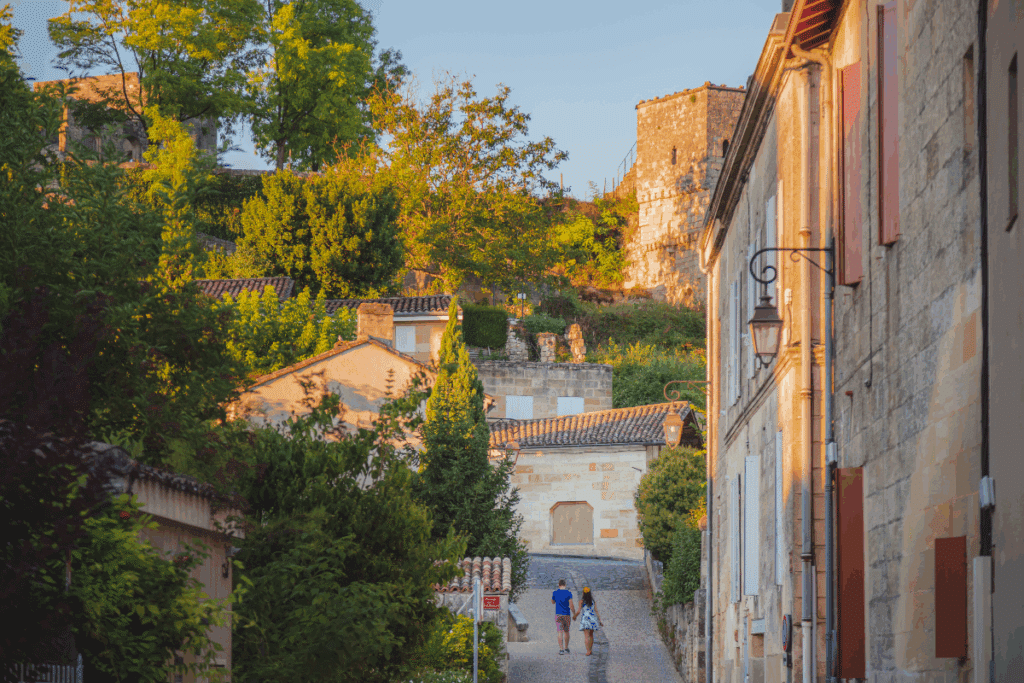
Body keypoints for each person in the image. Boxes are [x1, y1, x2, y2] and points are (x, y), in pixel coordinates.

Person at [573, 586, 604, 656]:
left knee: (586, 636)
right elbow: (596, 611)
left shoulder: (581, 601)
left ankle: (588, 650)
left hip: (586, 619)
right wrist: (599, 621)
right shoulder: (593, 601)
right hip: (593, 619)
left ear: (583, 593)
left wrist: (574, 616)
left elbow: (578, 611)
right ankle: (591, 649)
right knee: (591, 635)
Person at [551, 578, 577, 655]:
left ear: (559, 585)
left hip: (558, 614)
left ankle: (561, 649)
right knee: (566, 631)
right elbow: (571, 605)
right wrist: (574, 613)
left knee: (559, 631)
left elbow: (552, 602)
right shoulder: (568, 593)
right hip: (566, 614)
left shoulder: (555, 593)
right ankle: (566, 647)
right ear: (565, 585)